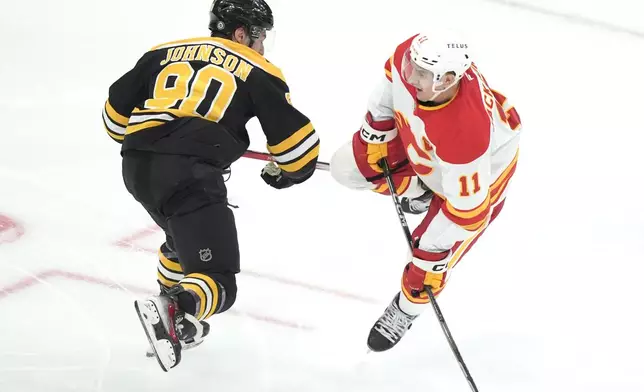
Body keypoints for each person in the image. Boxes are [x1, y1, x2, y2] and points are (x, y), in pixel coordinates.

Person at [101, 0, 320, 371]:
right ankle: (175, 309)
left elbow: (113, 120)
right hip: (189, 175)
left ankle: (175, 319)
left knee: (179, 238)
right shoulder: (260, 70)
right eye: (260, 35)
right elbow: (298, 152)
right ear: (241, 33)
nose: (263, 45)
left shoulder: (161, 53)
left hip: (137, 166)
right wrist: (284, 174)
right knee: (218, 281)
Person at [329, 31, 522, 352]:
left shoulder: (467, 137)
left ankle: (406, 309)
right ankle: (421, 191)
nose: (411, 77)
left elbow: (467, 214)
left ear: (447, 80)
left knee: (427, 262)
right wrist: (376, 133)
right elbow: (389, 88)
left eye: (421, 73)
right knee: (345, 167)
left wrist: (428, 255)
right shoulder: (415, 58)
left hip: (477, 180)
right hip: (431, 149)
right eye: (412, 67)